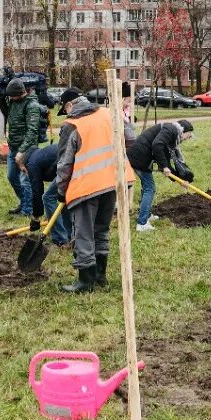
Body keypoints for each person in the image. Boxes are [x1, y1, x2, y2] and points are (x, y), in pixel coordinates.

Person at [55, 90, 135, 293]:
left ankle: (85, 281)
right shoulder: (109, 114)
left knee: (83, 233)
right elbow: (131, 137)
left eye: (65, 109)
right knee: (101, 229)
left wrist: (61, 190)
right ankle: (101, 276)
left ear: (70, 105)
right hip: (113, 181)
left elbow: (64, 164)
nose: (65, 113)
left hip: (86, 187)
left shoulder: (72, 125)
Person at [125, 118, 194, 232]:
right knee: (150, 188)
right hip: (139, 158)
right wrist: (164, 167)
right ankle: (142, 223)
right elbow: (157, 145)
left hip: (140, 157)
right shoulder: (171, 130)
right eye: (189, 134)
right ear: (183, 131)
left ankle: (145, 215)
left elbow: (165, 159)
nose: (189, 137)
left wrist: (179, 179)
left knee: (147, 187)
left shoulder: (171, 136)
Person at [5, 77, 45, 217]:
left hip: (27, 149)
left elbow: (32, 131)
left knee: (25, 180)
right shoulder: (12, 101)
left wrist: (22, 151)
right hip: (13, 146)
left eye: (11, 94)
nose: (10, 97)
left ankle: (27, 210)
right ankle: (24, 202)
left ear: (20, 93)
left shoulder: (32, 105)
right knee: (11, 176)